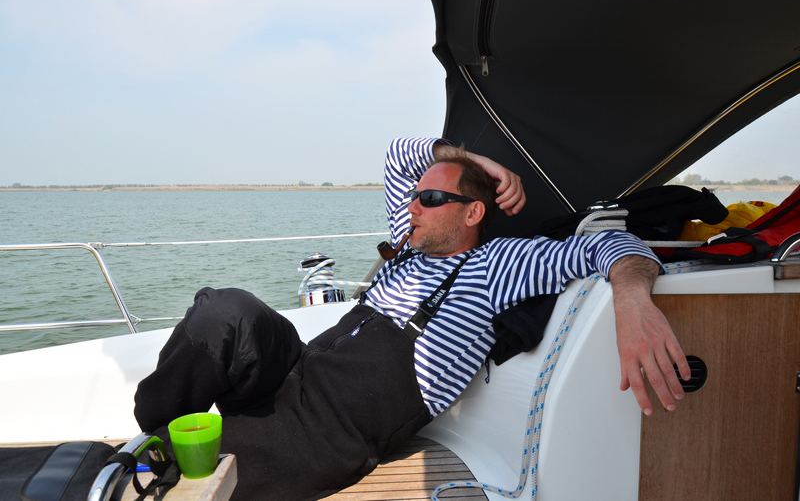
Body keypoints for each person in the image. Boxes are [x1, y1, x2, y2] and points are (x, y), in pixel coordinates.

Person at [134, 137, 690, 500]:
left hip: (328, 429)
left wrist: (632, 301)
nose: (412, 206)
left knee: (175, 476)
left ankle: (151, 452)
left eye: (429, 199)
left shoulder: (499, 265)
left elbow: (612, 245)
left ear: (473, 213)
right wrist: (481, 163)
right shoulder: (411, 246)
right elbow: (399, 152)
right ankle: (154, 428)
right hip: (295, 367)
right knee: (223, 310)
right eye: (415, 197)